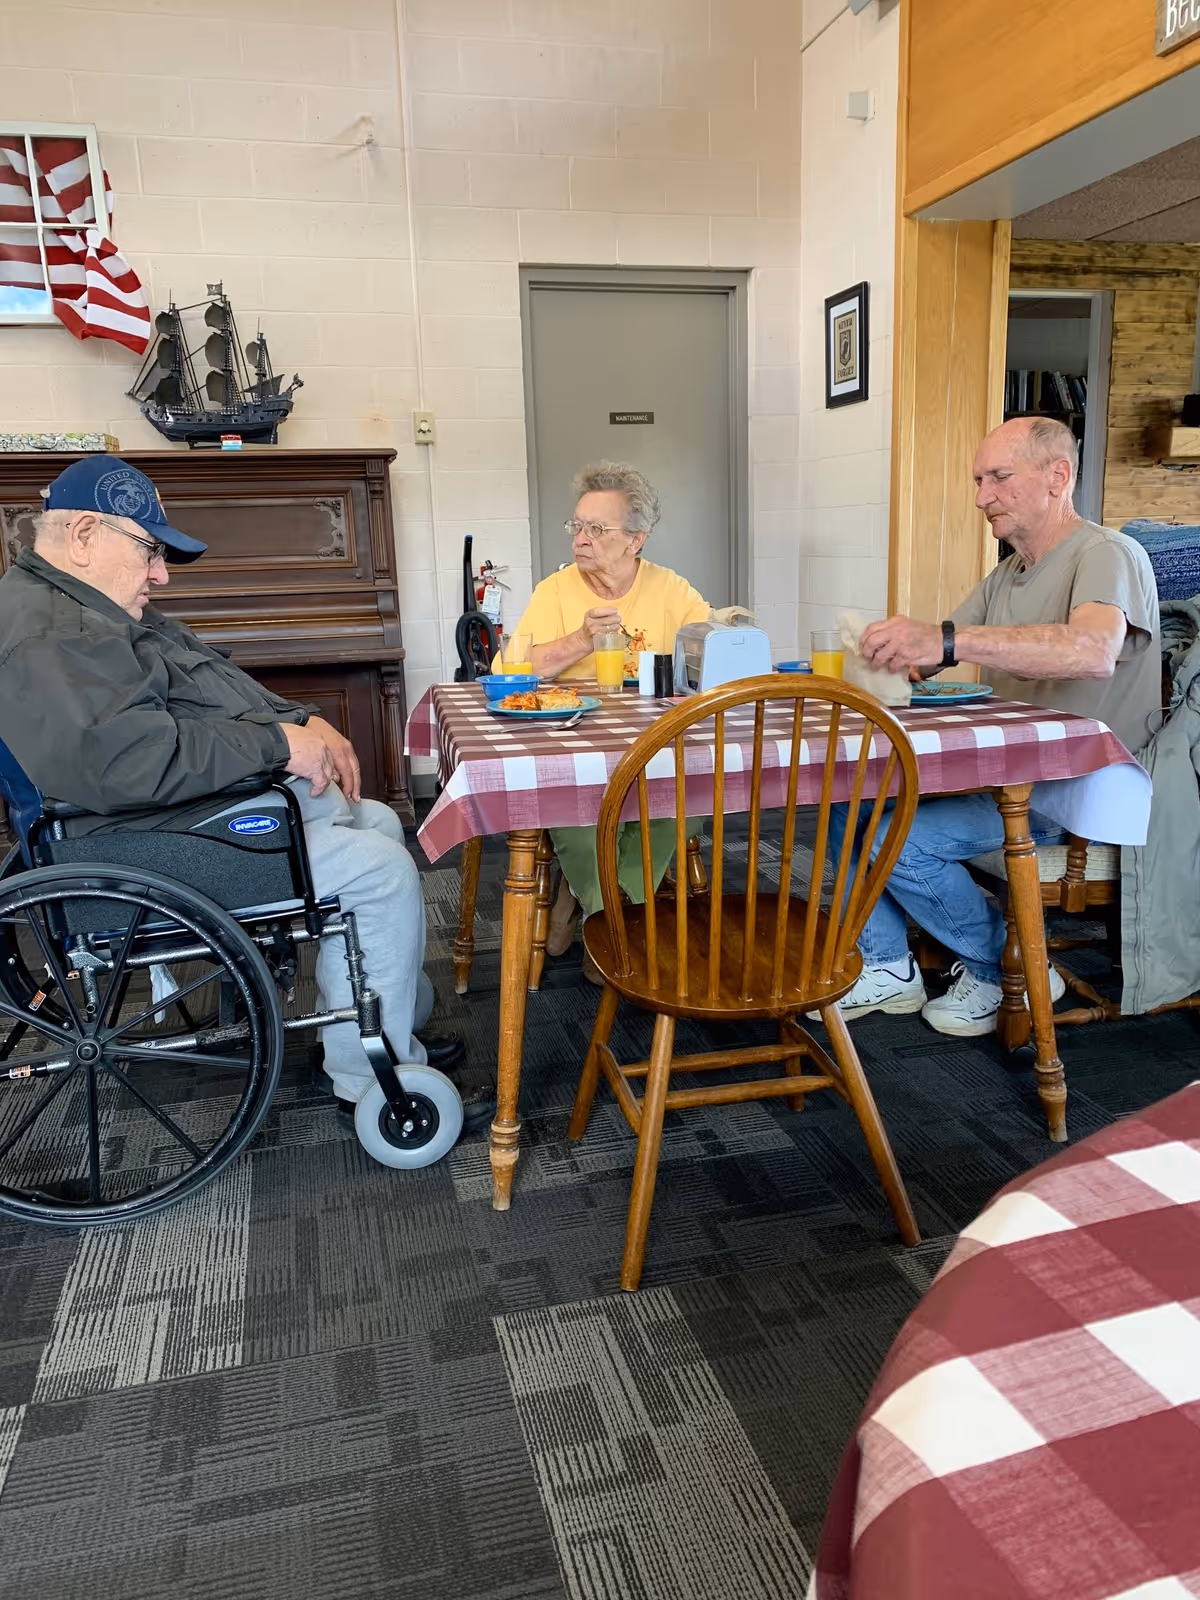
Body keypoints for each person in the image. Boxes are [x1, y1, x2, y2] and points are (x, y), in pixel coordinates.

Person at [0, 457, 483, 1124]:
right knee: (382, 870)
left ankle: (366, 1027)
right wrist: (279, 744)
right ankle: (366, 1080)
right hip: (130, 847)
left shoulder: (80, 607)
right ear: (84, 535)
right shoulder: (56, 633)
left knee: (369, 820)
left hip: (153, 819)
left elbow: (206, 689)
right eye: (150, 551)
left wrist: (296, 720)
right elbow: (126, 761)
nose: (161, 574)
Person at [828, 416, 1161, 1037]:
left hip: (1075, 789)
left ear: (1057, 476)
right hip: (1009, 777)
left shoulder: (1106, 554)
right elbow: (933, 657)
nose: (982, 496)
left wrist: (948, 638)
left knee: (897, 839)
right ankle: (887, 965)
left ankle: (1002, 964)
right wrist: (882, 648)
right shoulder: (1009, 572)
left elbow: (1091, 651)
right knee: (848, 804)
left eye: (998, 478)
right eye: (980, 480)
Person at [509, 461, 709, 980]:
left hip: (656, 747)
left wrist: (730, 630)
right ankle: (614, 931)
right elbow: (508, 671)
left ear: (636, 540)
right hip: (574, 747)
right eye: (577, 526)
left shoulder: (671, 590)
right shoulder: (555, 591)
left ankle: (580, 906)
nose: (582, 538)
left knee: (674, 807)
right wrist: (578, 639)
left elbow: (710, 644)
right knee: (577, 820)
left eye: (597, 529)